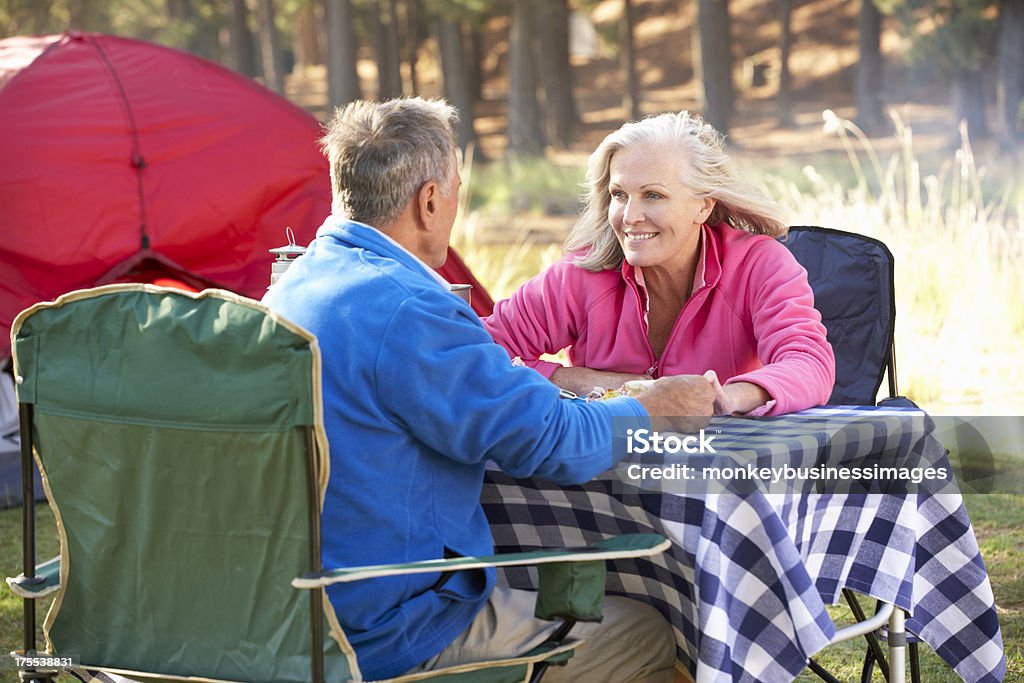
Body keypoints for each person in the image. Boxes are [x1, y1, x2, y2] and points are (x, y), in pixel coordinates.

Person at [262, 97, 712, 683]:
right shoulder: (408, 310)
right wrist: (650, 405)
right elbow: (553, 443)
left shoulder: (293, 286)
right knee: (650, 632)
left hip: (283, 615)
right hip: (385, 632)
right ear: (430, 200)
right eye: (454, 187)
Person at [484, 111, 835, 416]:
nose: (630, 216)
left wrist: (727, 397)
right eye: (619, 195)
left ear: (703, 205)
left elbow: (809, 363)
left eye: (653, 195)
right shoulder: (581, 274)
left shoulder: (760, 264)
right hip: (602, 473)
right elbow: (478, 351)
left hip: (726, 472)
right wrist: (601, 383)